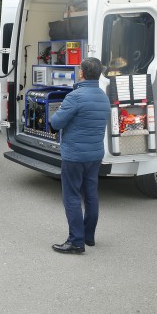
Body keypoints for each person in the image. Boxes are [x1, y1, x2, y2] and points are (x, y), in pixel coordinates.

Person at [49, 57, 110, 254]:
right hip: (95, 154)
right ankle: (88, 236)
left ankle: (76, 241)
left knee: (72, 197)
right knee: (91, 195)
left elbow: (56, 122)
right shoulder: (103, 96)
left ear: (82, 73)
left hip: (75, 155)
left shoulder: (75, 96)